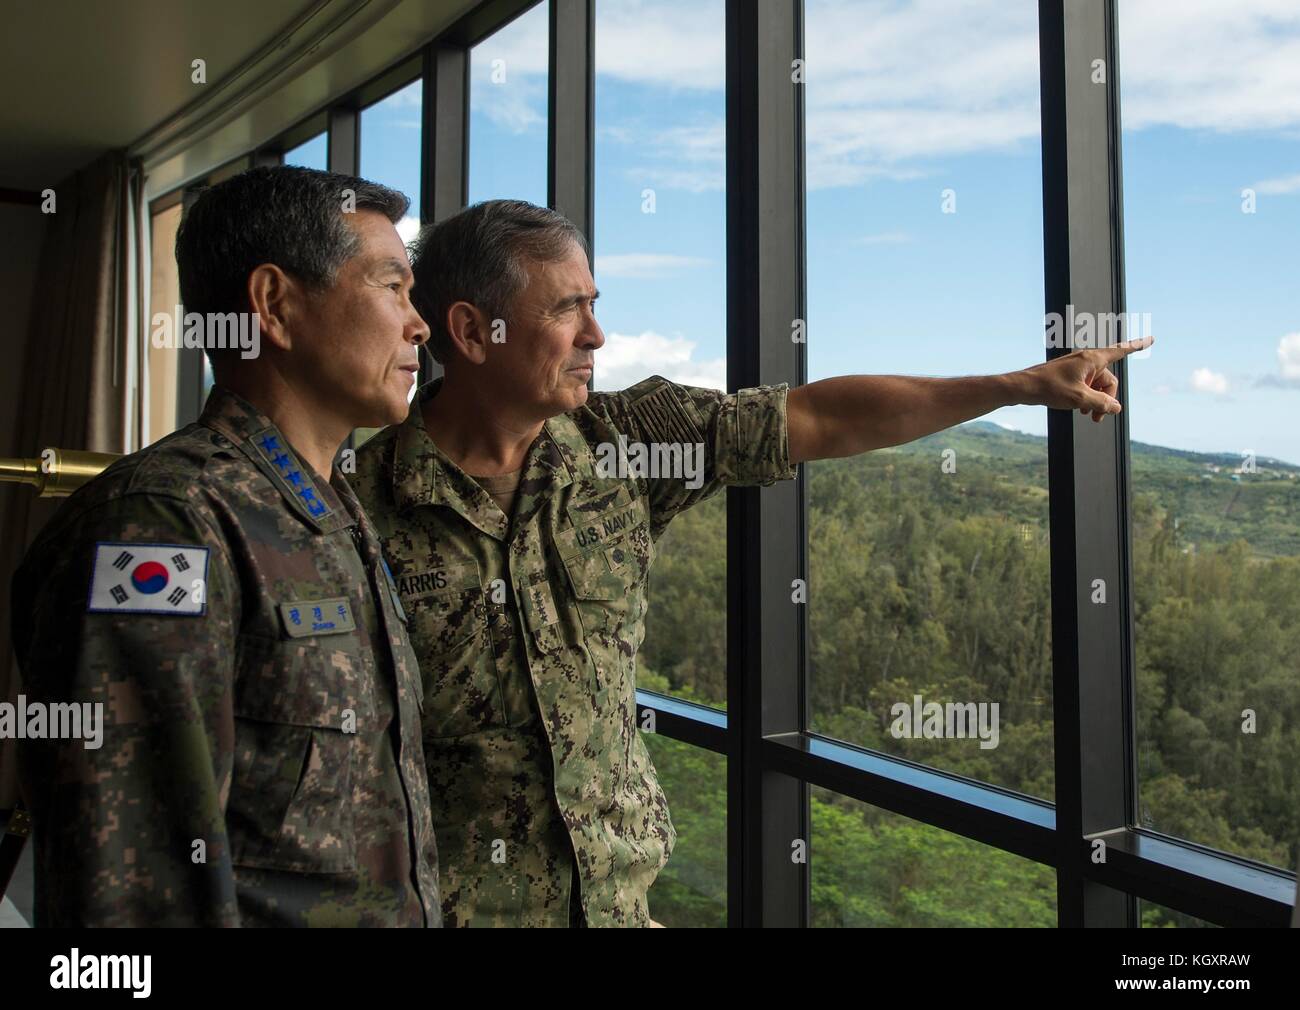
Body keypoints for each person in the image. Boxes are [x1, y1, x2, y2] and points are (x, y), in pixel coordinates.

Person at [351, 198, 1152, 927]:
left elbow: (818, 417)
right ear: (470, 330)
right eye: (568, 309)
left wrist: (1015, 386)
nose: (596, 336)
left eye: (595, 307)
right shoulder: (358, 509)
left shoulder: (627, 447)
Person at [11, 165, 439, 926]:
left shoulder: (333, 513)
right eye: (390, 286)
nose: (419, 323)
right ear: (274, 305)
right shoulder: (165, 525)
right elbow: (130, 894)